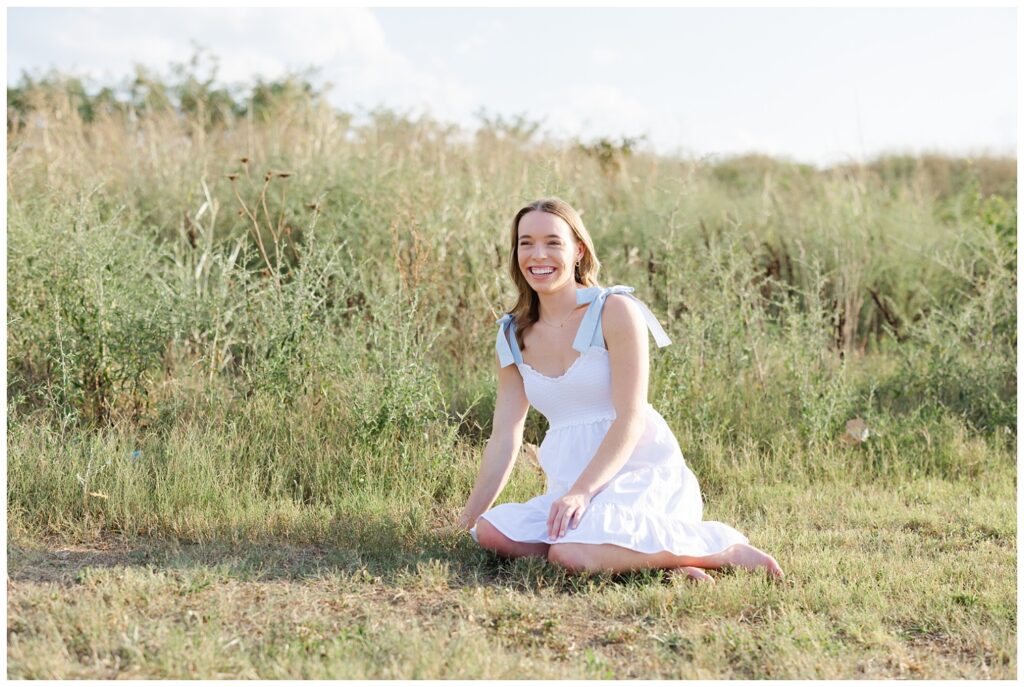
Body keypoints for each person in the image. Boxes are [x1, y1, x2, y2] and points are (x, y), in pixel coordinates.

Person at [456, 197, 783, 582]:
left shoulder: (614, 311)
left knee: (566, 554)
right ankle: (665, 563)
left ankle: (723, 548)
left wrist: (582, 492)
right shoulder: (512, 333)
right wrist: (466, 522)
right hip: (569, 481)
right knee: (492, 531)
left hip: (635, 471)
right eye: (526, 242)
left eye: (553, 242)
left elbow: (630, 417)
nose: (537, 254)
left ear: (578, 250)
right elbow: (504, 438)